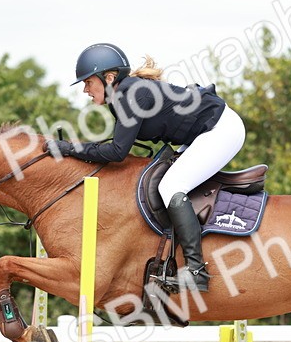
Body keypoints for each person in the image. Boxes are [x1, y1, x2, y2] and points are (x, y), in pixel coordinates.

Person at [45, 43, 246, 293]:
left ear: (109, 78)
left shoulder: (130, 95)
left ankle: (196, 271)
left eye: (88, 82)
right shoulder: (121, 97)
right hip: (200, 134)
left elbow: (117, 153)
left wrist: (68, 148)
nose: (85, 90)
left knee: (171, 186)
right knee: (166, 181)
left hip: (221, 130)